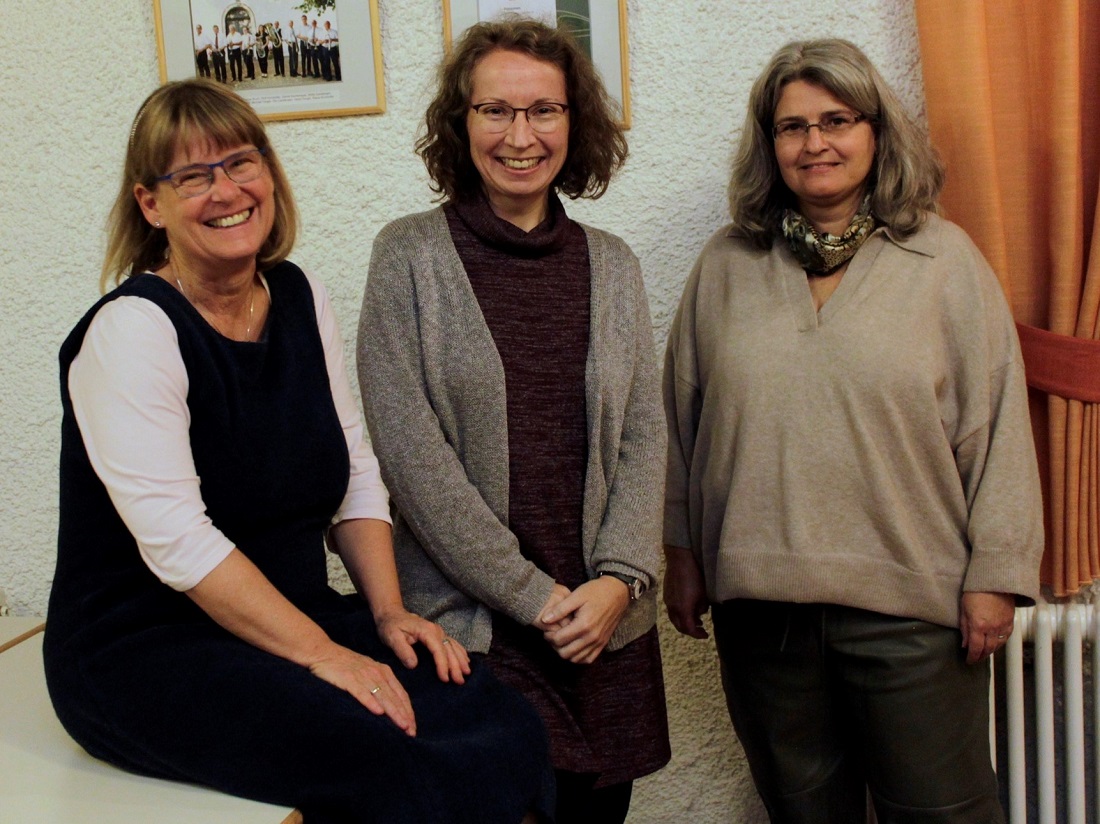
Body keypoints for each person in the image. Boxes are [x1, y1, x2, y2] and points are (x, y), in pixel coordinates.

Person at [43, 78, 554, 824]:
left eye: (242, 163)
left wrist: (386, 613)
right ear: (151, 203)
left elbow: (352, 473)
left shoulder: (297, 294)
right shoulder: (131, 332)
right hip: (145, 652)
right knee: (383, 749)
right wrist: (324, 654)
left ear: (270, 174)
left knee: (495, 712)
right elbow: (181, 545)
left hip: (288, 615)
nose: (227, 190)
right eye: (193, 175)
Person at [662, 38, 1043, 824]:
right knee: (804, 815)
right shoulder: (726, 265)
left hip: (913, 614)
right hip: (760, 612)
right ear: (770, 145)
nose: (815, 143)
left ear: (876, 131)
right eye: (792, 126)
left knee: (945, 814)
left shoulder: (944, 261)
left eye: (836, 119)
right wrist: (681, 554)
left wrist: (995, 577)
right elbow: (680, 423)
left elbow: (997, 426)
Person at [359, 18, 671, 824]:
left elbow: (645, 433)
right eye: (495, 110)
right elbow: (410, 457)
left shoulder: (614, 263)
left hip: (605, 631)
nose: (520, 135)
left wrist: (618, 581)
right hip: (480, 634)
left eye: (544, 111)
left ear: (576, 123)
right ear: (462, 124)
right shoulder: (409, 256)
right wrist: (536, 599)